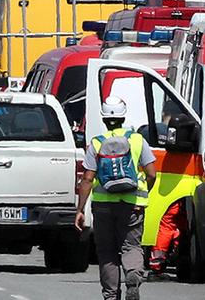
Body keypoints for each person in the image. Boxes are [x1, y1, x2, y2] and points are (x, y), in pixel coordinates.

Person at [80, 96, 159, 300]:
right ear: (123, 117)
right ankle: (132, 275)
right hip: (132, 205)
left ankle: (110, 295)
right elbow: (151, 173)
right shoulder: (137, 140)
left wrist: (80, 210)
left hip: (103, 206)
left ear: (105, 119)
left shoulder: (97, 143)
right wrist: (143, 194)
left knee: (107, 252)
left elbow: (88, 179)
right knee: (131, 245)